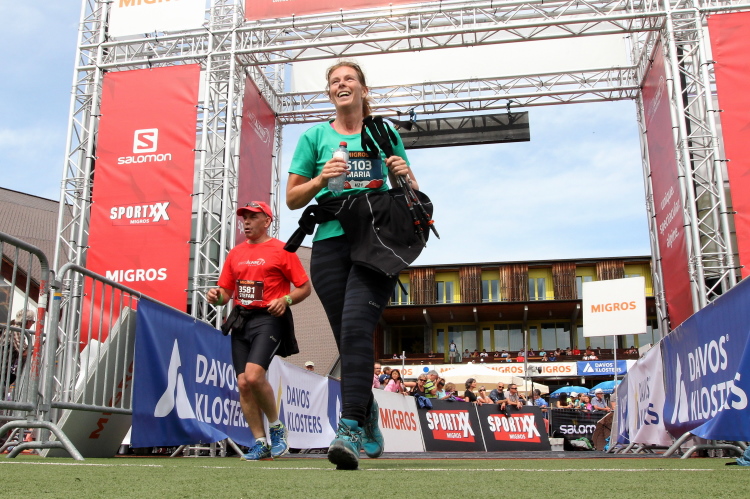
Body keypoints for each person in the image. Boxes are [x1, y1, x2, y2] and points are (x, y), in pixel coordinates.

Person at [286, 60, 423, 470]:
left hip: (377, 242)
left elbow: (411, 193)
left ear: (364, 89)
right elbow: (292, 198)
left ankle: (347, 429)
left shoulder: (384, 133)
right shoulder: (315, 137)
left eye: (349, 79)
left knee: (356, 329)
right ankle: (367, 410)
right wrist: (319, 179)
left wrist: (404, 174)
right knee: (345, 339)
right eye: (334, 81)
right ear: (330, 93)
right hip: (330, 243)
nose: (341, 84)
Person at [207, 201, 311, 461]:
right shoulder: (235, 253)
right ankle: (260, 442)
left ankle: (276, 428)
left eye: (253, 217)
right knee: (243, 383)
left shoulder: (283, 250)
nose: (246, 221)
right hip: (242, 320)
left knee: (254, 376)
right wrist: (216, 297)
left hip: (269, 319)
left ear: (267, 221)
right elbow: (226, 293)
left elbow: (304, 287)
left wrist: (286, 300)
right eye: (244, 217)